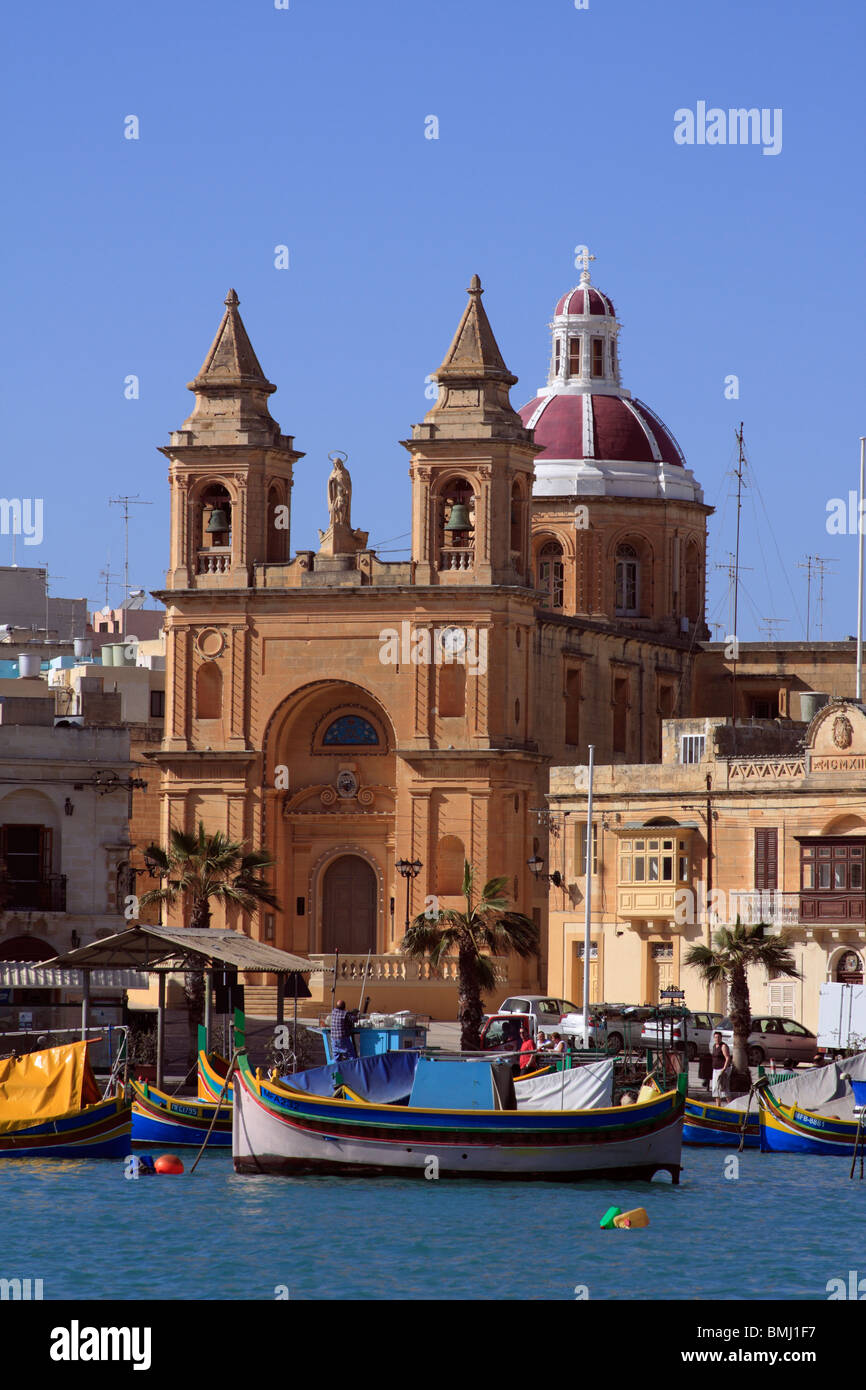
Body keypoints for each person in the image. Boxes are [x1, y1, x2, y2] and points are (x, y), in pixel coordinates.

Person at [710, 1030, 731, 1100]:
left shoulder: (723, 1046)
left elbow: (727, 1057)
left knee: (724, 1089)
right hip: (715, 1069)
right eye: (715, 1037)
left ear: (721, 1038)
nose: (717, 1039)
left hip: (722, 1070)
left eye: (718, 1037)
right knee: (716, 1090)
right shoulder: (714, 1046)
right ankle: (718, 1106)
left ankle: (731, 1107)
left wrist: (724, 1069)